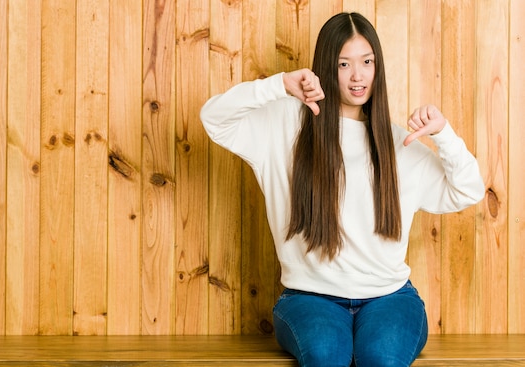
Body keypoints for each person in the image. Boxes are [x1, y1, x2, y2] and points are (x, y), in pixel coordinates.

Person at [200, 12, 485, 367]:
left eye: (367, 62)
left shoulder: (399, 144)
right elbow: (213, 117)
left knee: (381, 358)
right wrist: (278, 85)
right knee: (325, 355)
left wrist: (443, 135)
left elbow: (469, 191)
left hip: (390, 298)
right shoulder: (285, 126)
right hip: (309, 298)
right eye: (343, 64)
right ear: (324, 68)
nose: (358, 76)